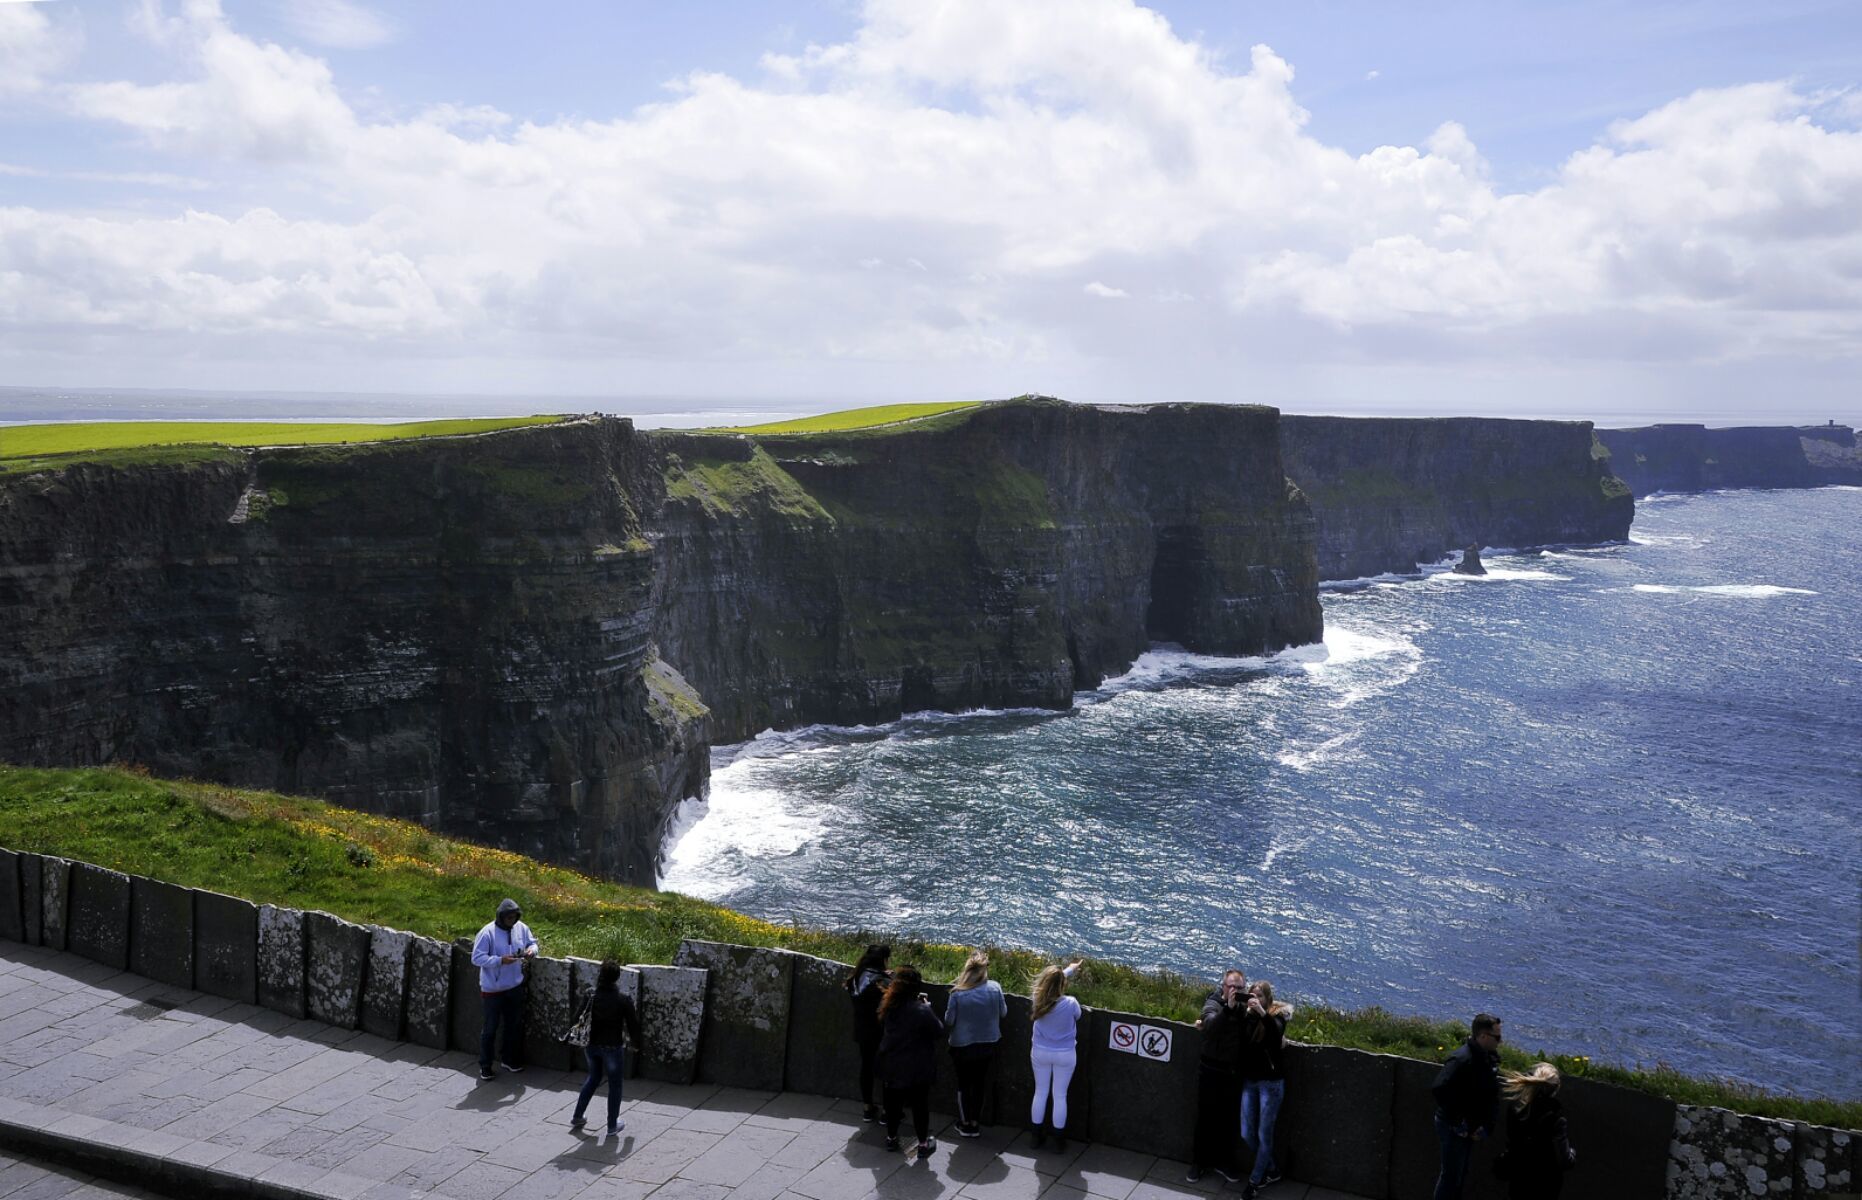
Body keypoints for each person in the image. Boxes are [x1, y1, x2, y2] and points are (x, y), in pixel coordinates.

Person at [1431, 1013, 1504, 1200]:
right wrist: (1457, 1122)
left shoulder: (1489, 1059)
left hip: (1470, 1127)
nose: (1500, 1041)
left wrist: (1487, 1126)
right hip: (1453, 1126)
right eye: (1497, 1037)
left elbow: (1492, 1097)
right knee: (1451, 1175)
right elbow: (1439, 1089)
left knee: (1460, 1174)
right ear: (1483, 1036)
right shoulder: (1461, 1059)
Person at [875, 965, 945, 1159]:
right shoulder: (921, 1010)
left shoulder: (888, 1005)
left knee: (893, 1105)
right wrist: (928, 1007)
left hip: (891, 1064)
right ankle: (923, 1144)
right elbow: (938, 1030)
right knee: (920, 1106)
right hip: (917, 1067)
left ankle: (891, 1138)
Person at [569, 960, 643, 1137]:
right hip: (612, 1047)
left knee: (593, 1077)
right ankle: (611, 1125)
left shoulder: (590, 995)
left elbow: (576, 1018)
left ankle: (578, 1116)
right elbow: (633, 1026)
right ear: (617, 978)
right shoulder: (623, 999)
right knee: (615, 1085)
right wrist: (637, 1045)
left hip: (591, 1045)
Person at [1188, 968, 1248, 1183]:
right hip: (1210, 1070)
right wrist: (1228, 1009)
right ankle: (1198, 1162)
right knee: (1205, 1117)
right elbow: (1211, 1026)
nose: (1234, 990)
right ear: (1223, 987)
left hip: (1232, 1072)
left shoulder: (1245, 1009)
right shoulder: (1213, 1003)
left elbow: (1259, 1027)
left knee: (1229, 1120)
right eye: (1231, 986)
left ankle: (1225, 1162)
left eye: (1239, 987)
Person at [470, 898, 537, 1080]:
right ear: (501, 916)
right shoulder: (487, 933)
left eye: (514, 917)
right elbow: (476, 958)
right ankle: (485, 1065)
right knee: (490, 1028)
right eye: (509, 917)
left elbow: (532, 942)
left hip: (514, 986)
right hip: (493, 989)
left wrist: (532, 951)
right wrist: (500, 961)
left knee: (513, 1026)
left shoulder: (521, 928)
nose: (512, 920)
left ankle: (509, 1059)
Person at [944, 950, 1007, 1138]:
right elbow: (1003, 1013)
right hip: (988, 1044)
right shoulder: (995, 988)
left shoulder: (957, 992)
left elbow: (949, 1021)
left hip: (962, 1046)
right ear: (985, 969)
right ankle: (975, 1122)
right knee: (979, 1084)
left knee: (963, 1085)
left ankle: (964, 1123)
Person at [1238, 981, 1292, 1198]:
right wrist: (1232, 1006)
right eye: (1253, 995)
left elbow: (1276, 1033)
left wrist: (1262, 1013)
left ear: (1268, 999)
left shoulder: (1277, 1017)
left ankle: (1254, 1182)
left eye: (1260, 996)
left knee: (1263, 1135)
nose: (1255, 999)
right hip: (1250, 1081)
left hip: (1271, 1084)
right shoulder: (1247, 1016)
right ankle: (1272, 1169)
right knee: (1246, 1133)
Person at [1496, 1063, 1577, 1199]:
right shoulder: (1555, 1117)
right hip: (1545, 1183)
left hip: (1519, 1176)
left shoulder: (1517, 1109)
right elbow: (1564, 1159)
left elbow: (1513, 1141)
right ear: (1556, 1088)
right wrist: (1572, 1153)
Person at [1029, 960, 1085, 1151]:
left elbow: (1050, 984)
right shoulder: (1071, 1003)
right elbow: (1078, 1016)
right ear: (1063, 984)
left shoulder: (1037, 999)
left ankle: (1036, 1136)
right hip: (1065, 1054)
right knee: (1059, 1095)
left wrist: (1069, 970)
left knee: (1040, 1092)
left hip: (1040, 1052)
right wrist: (1070, 970)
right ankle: (1059, 1140)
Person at [844, 944, 892, 1122]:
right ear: (884, 960)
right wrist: (890, 978)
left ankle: (867, 1107)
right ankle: (887, 1112)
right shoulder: (882, 982)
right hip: (881, 1032)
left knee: (866, 1068)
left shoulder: (855, 978)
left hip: (862, 1030)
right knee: (887, 1071)